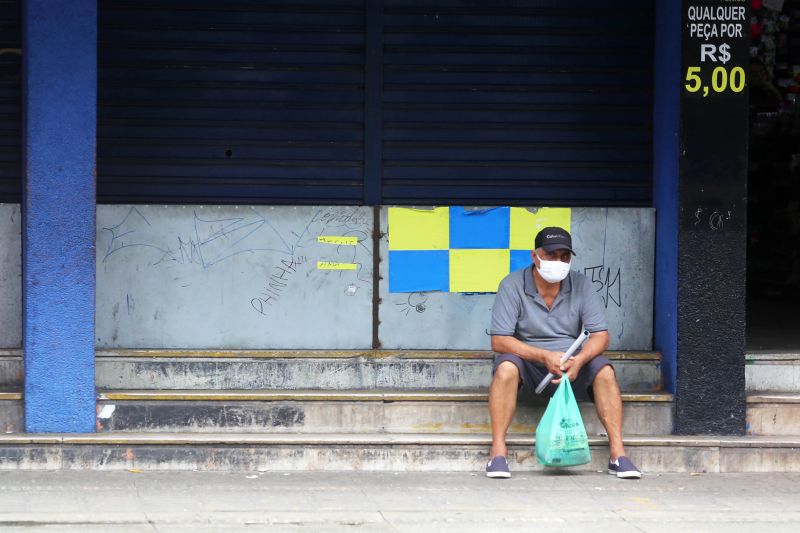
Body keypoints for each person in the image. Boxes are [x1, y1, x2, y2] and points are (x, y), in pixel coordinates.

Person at [485, 227, 641, 479]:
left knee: (605, 371)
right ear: (534, 256)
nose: (558, 262)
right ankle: (498, 453)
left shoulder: (580, 284)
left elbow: (600, 335)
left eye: (564, 257)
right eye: (551, 255)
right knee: (505, 368)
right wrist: (542, 356)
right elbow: (500, 341)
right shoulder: (512, 285)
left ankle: (618, 454)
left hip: (571, 364)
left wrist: (579, 360)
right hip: (529, 364)